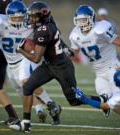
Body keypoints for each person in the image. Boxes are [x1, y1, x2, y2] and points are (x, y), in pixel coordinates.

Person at [8, 1, 88, 133]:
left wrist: (20, 49)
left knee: (74, 100)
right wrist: (67, 49)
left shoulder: (43, 30)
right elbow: (57, 39)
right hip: (49, 64)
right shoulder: (48, 23)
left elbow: (36, 58)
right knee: (27, 87)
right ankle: (26, 124)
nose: (31, 19)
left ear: (41, 17)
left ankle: (100, 100)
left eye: (34, 17)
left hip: (62, 66)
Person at [0, 0, 58, 124]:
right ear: (8, 16)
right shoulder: (0, 22)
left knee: (25, 80)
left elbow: (48, 28)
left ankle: (50, 103)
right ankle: (39, 108)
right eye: (15, 18)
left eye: (21, 17)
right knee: (21, 89)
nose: (18, 21)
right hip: (11, 62)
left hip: (27, 57)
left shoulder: (31, 23)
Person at [69, 5, 120, 105]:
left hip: (113, 68)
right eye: (79, 20)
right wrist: (62, 61)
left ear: (91, 18)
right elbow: (73, 53)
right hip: (99, 74)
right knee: (105, 100)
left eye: (84, 20)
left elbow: (119, 42)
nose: (81, 23)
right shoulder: (75, 35)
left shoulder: (100, 29)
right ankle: (83, 98)